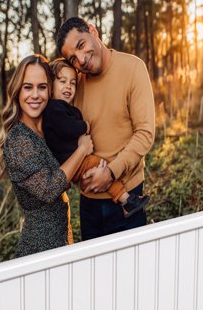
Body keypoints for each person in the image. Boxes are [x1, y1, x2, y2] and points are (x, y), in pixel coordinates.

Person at [56, 17, 155, 241]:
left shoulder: (132, 68)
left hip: (127, 200)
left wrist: (110, 172)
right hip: (88, 205)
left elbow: (145, 133)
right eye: (73, 58)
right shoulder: (74, 84)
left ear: (93, 31)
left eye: (81, 45)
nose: (81, 59)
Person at [0, 54, 93, 258]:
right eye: (28, 87)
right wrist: (82, 150)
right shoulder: (19, 139)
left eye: (42, 87)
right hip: (41, 246)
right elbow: (48, 188)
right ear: (17, 91)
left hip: (61, 236)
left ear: (50, 89)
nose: (35, 95)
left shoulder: (47, 128)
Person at [42, 58, 149, 218]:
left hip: (74, 160)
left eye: (72, 83)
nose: (68, 86)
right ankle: (126, 200)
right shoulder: (54, 108)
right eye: (62, 81)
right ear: (51, 85)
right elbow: (68, 128)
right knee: (99, 165)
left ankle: (124, 199)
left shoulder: (63, 107)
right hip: (72, 161)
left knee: (98, 166)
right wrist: (85, 126)